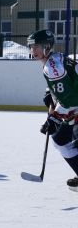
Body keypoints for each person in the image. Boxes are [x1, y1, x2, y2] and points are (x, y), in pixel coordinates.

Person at [28, 29, 78, 191]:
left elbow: (70, 99)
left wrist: (55, 117)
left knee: (61, 140)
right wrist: (52, 93)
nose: (32, 51)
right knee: (68, 139)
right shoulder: (55, 59)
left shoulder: (52, 66)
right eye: (31, 47)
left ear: (47, 47)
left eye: (36, 47)